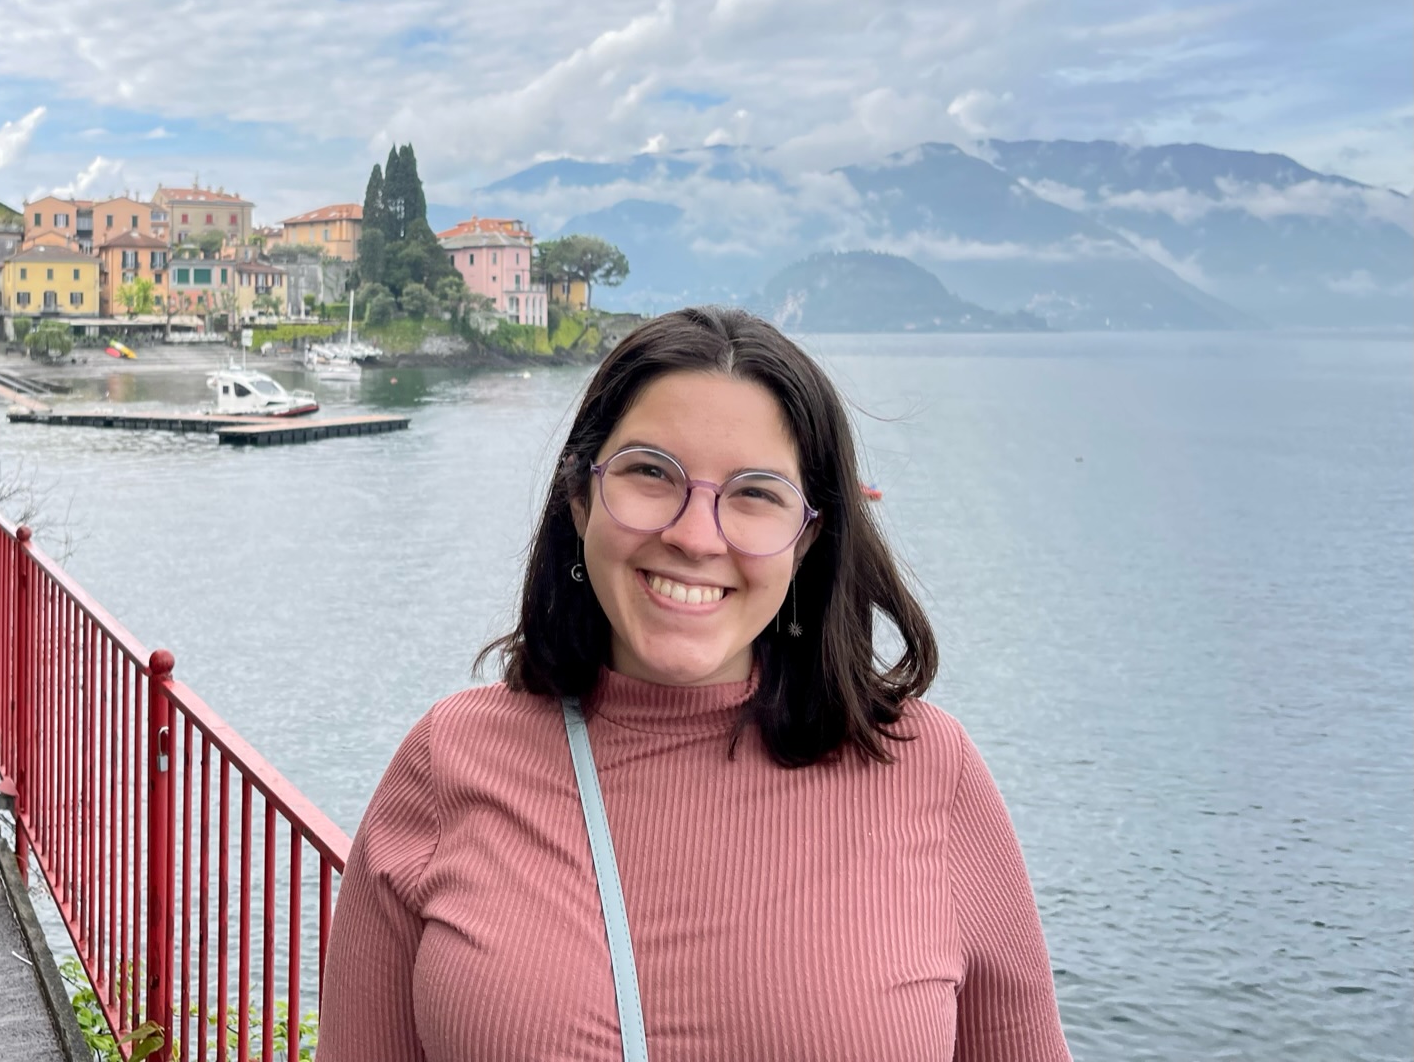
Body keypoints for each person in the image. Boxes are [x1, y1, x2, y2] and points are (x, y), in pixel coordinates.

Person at [318, 307, 1071, 1060]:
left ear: (807, 540)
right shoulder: (447, 764)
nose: (694, 535)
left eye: (755, 493)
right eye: (651, 473)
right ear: (580, 498)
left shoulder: (926, 771)